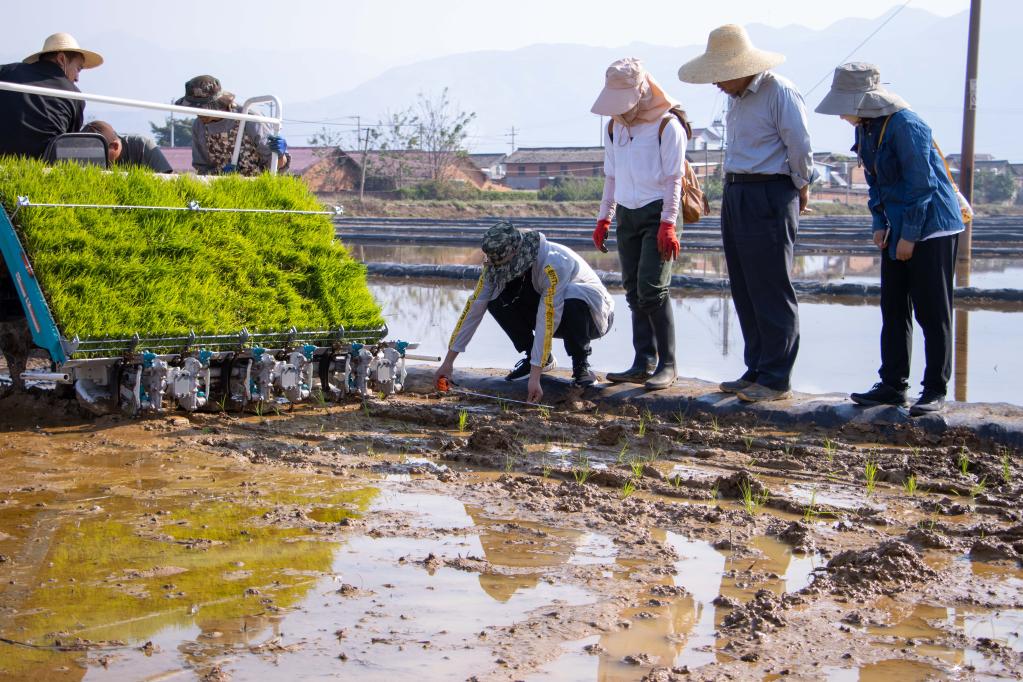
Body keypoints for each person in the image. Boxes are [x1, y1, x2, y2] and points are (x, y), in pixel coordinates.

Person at [677, 25, 817, 403]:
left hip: (770, 192)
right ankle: (756, 367)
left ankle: (775, 377)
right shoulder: (736, 97)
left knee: (771, 284)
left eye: (721, 75)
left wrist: (800, 186)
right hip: (737, 191)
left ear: (741, 66)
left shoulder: (779, 92)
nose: (716, 84)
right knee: (744, 284)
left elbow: (800, 146)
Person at [816, 63, 965, 415]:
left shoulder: (907, 126)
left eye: (844, 106)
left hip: (932, 226)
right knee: (894, 307)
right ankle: (893, 385)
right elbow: (875, 183)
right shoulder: (867, 130)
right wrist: (879, 222)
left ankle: (934, 390)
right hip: (897, 224)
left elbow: (921, 185)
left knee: (932, 310)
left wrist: (910, 237)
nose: (840, 115)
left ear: (864, 101)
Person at [435, 221, 614, 404]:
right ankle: (536, 358)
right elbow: (473, 309)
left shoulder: (552, 264)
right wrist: (448, 363)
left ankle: (581, 366)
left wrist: (535, 379)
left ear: (518, 254)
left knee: (573, 294)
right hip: (551, 311)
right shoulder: (493, 267)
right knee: (495, 298)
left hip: (593, 315)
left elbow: (548, 316)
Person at [591, 58, 687, 391]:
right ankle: (642, 361)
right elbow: (612, 175)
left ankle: (668, 364)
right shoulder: (615, 127)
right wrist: (605, 216)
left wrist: (669, 224)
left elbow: (675, 179)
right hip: (628, 215)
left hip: (658, 213)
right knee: (633, 290)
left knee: (653, 288)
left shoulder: (666, 125)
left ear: (641, 91)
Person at [0, 32, 103, 159]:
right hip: (45, 166)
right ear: (61, 59)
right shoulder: (75, 96)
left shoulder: (7, 72)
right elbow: (69, 142)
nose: (77, 78)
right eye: (78, 69)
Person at [175, 75, 289, 176]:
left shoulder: (249, 118)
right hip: (222, 190)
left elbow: (277, 166)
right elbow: (202, 169)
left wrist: (279, 154)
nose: (199, 114)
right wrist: (219, 177)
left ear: (217, 105)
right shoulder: (199, 126)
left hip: (257, 187)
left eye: (202, 109)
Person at [81, 120, 173, 173]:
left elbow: (167, 180)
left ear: (115, 146)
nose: (91, 159)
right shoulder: (84, 160)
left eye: (97, 152)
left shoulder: (144, 147)